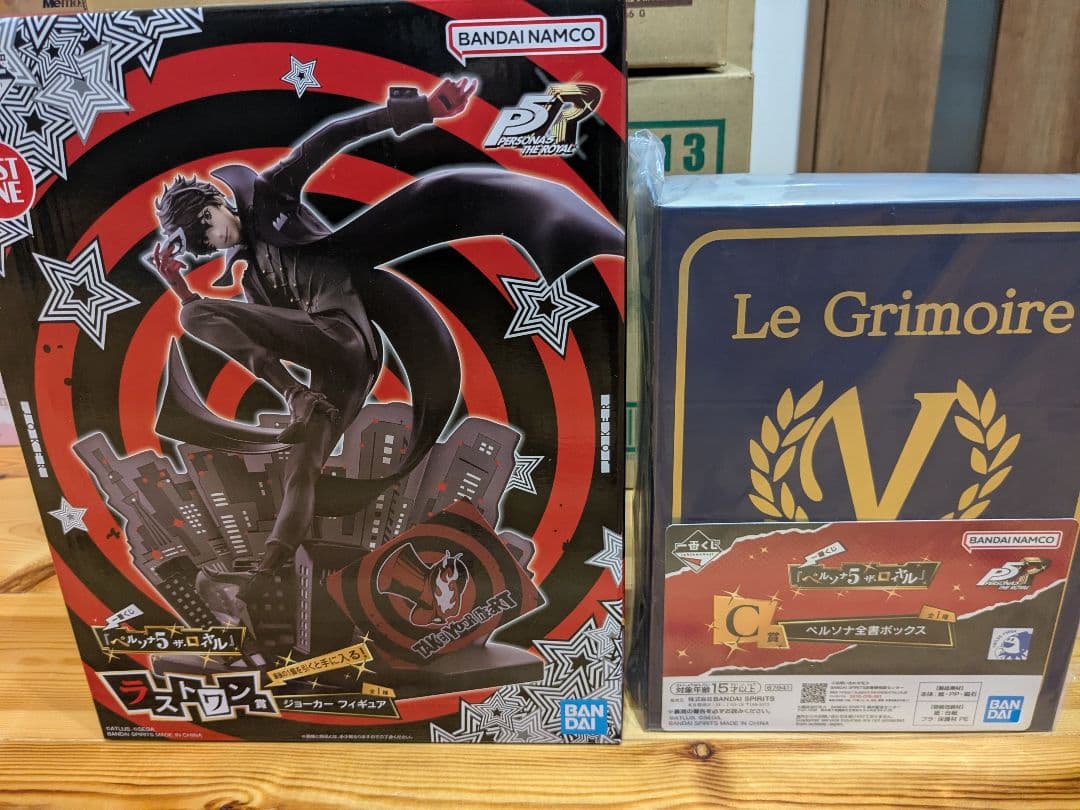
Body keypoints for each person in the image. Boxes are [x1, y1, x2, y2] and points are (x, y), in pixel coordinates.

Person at [152, 78, 476, 579]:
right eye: (203, 246)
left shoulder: (270, 197)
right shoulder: (254, 281)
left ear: (214, 205)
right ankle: (267, 569)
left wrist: (423, 108)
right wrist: (180, 287)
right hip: (341, 371)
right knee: (300, 466)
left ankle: (296, 397)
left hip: (345, 335)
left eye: (207, 229)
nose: (213, 242)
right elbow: (263, 340)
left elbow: (331, 136)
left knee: (195, 314)